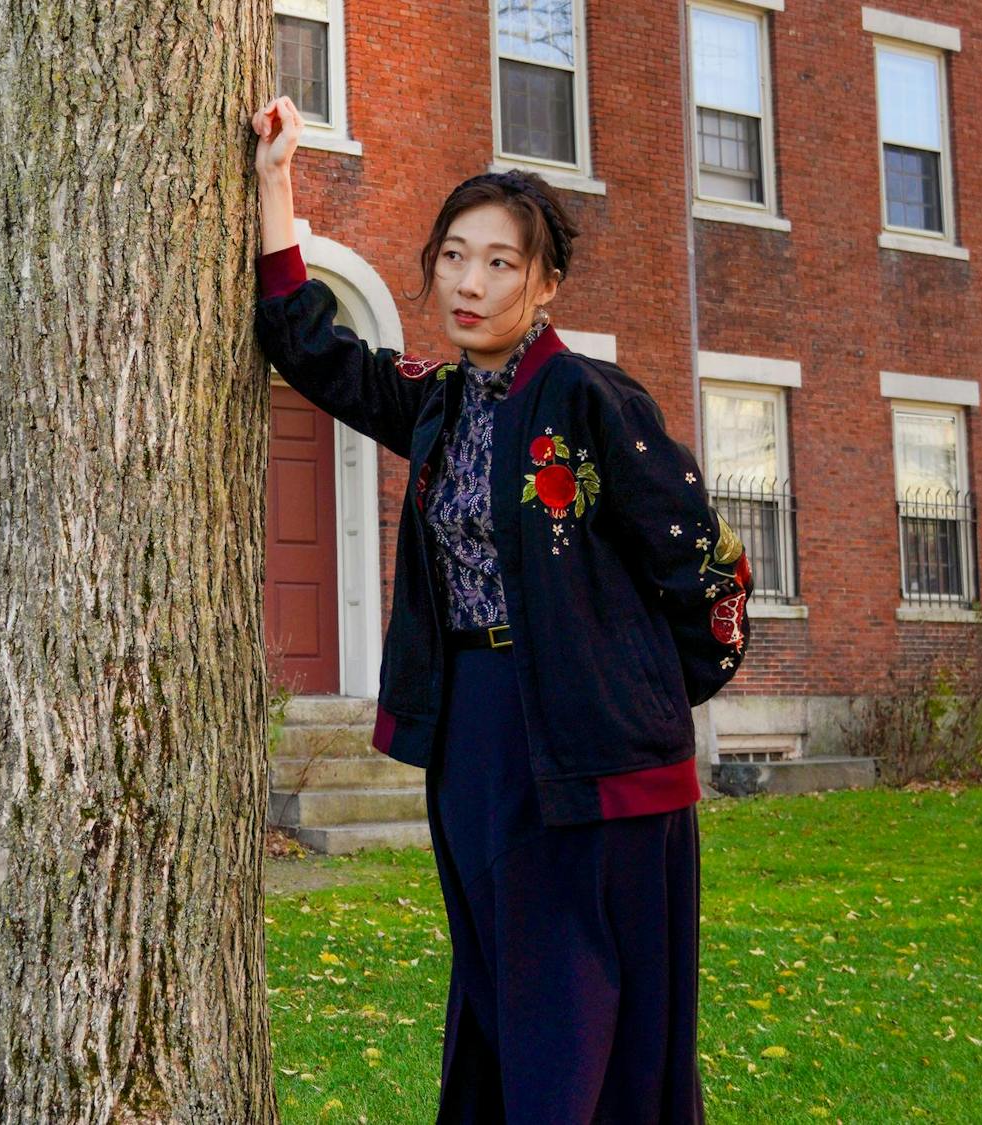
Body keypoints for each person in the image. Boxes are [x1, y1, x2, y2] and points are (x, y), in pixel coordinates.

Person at [249, 95, 753, 1124]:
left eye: (500, 264)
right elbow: (315, 352)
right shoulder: (438, 401)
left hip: (597, 751)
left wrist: (641, 691)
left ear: (545, 282)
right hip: (476, 735)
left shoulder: (590, 400)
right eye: (453, 257)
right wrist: (273, 186)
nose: (469, 283)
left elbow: (708, 569)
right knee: (499, 982)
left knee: (578, 999)